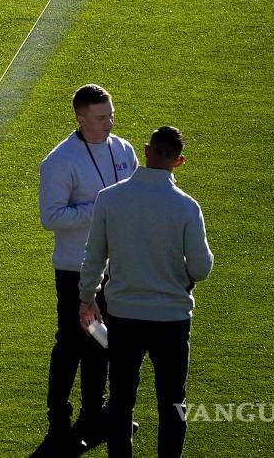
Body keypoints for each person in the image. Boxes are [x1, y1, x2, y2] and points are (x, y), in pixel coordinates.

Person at [79, 126, 214, 458]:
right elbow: (201, 268)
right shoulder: (186, 207)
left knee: (122, 400)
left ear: (146, 150)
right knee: (172, 401)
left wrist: (87, 298)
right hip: (171, 318)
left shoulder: (110, 198)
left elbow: (94, 256)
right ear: (179, 161)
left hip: (125, 316)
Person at [33, 84, 138, 455]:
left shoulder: (123, 149)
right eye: (101, 117)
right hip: (76, 270)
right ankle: (59, 420)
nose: (110, 122)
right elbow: (51, 217)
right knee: (71, 345)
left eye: (111, 114)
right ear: (80, 118)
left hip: (117, 267)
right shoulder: (60, 161)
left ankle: (95, 414)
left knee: (105, 342)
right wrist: (102, 208)